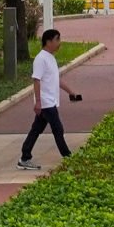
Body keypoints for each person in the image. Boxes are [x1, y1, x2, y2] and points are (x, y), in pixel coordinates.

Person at [19, 28, 73, 164]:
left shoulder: (51, 58)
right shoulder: (41, 59)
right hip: (45, 102)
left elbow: (56, 79)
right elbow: (36, 80)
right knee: (58, 129)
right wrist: (38, 102)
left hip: (50, 101)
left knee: (36, 129)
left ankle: (25, 156)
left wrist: (71, 92)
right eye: (57, 40)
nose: (59, 43)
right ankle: (68, 157)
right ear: (48, 42)